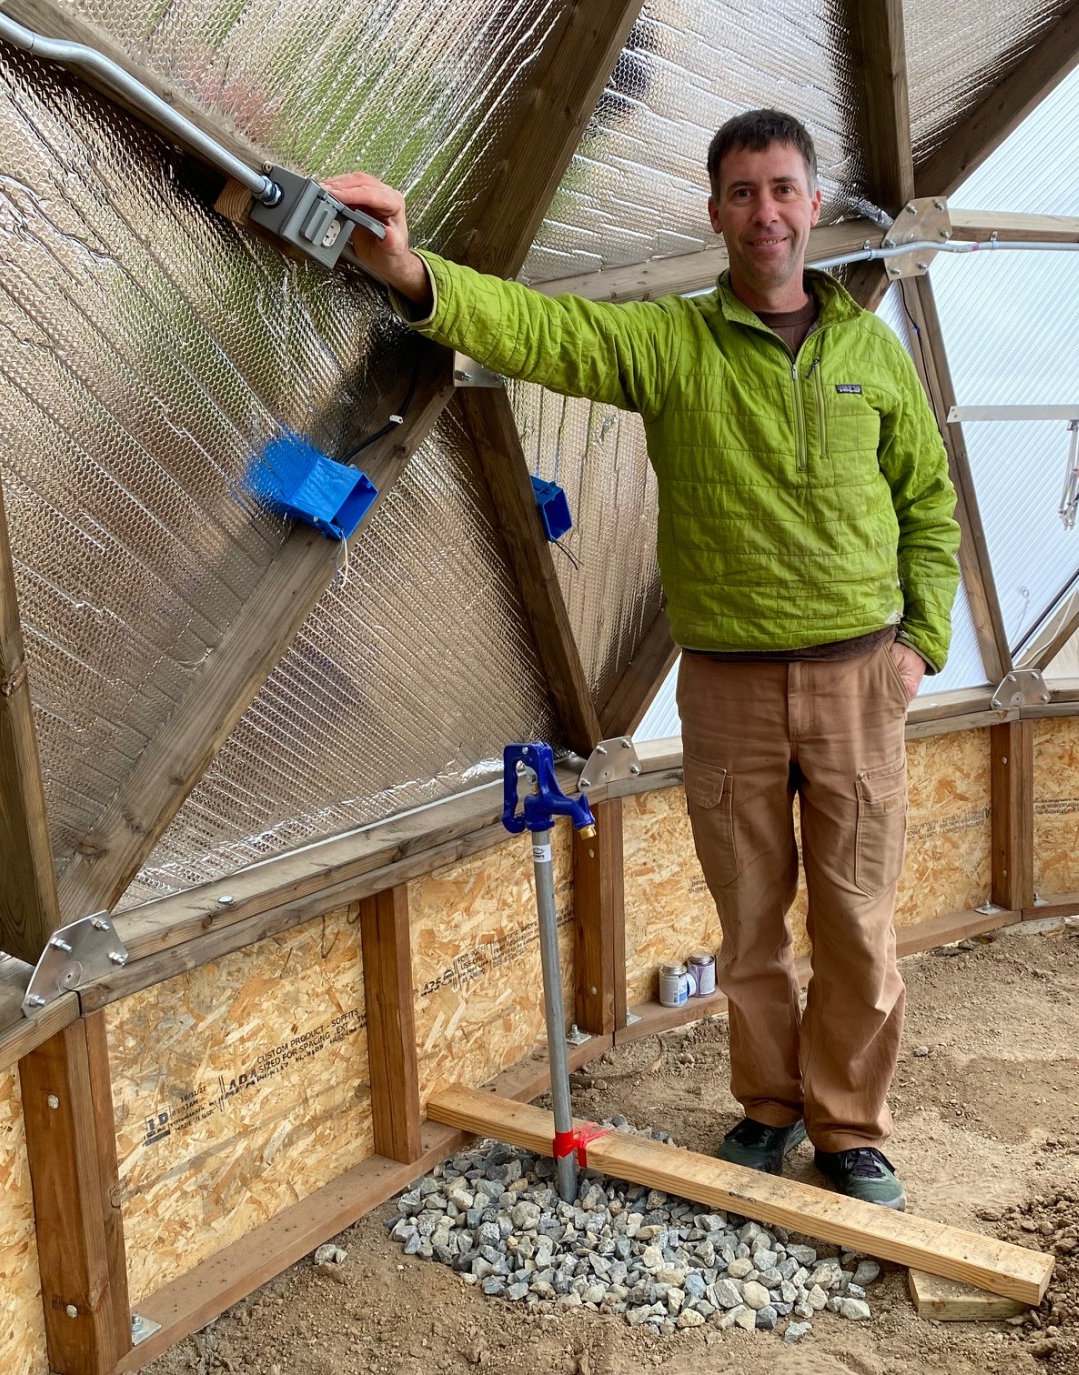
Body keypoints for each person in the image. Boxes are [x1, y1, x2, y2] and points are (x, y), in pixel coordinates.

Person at [325, 108, 959, 1209]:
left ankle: (850, 1128)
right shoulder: (673, 344)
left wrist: (918, 648)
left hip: (861, 680)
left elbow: (930, 507)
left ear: (813, 206)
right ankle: (768, 1106)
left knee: (856, 916)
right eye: (742, 192)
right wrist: (412, 273)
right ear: (716, 213)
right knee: (752, 917)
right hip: (728, 684)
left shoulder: (871, 354)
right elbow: (542, 333)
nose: (764, 211)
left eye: (782, 189)